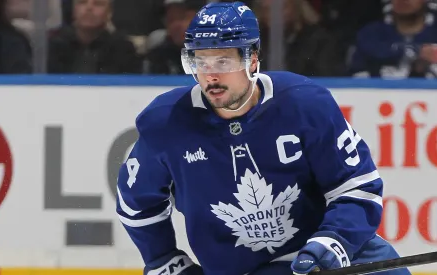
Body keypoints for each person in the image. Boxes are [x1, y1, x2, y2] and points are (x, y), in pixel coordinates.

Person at [116, 2, 411, 275]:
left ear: (253, 60)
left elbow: (357, 187)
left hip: (336, 257)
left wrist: (332, 243)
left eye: (222, 62)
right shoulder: (166, 122)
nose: (211, 76)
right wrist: (164, 260)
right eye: (201, 62)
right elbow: (136, 202)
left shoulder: (304, 104)